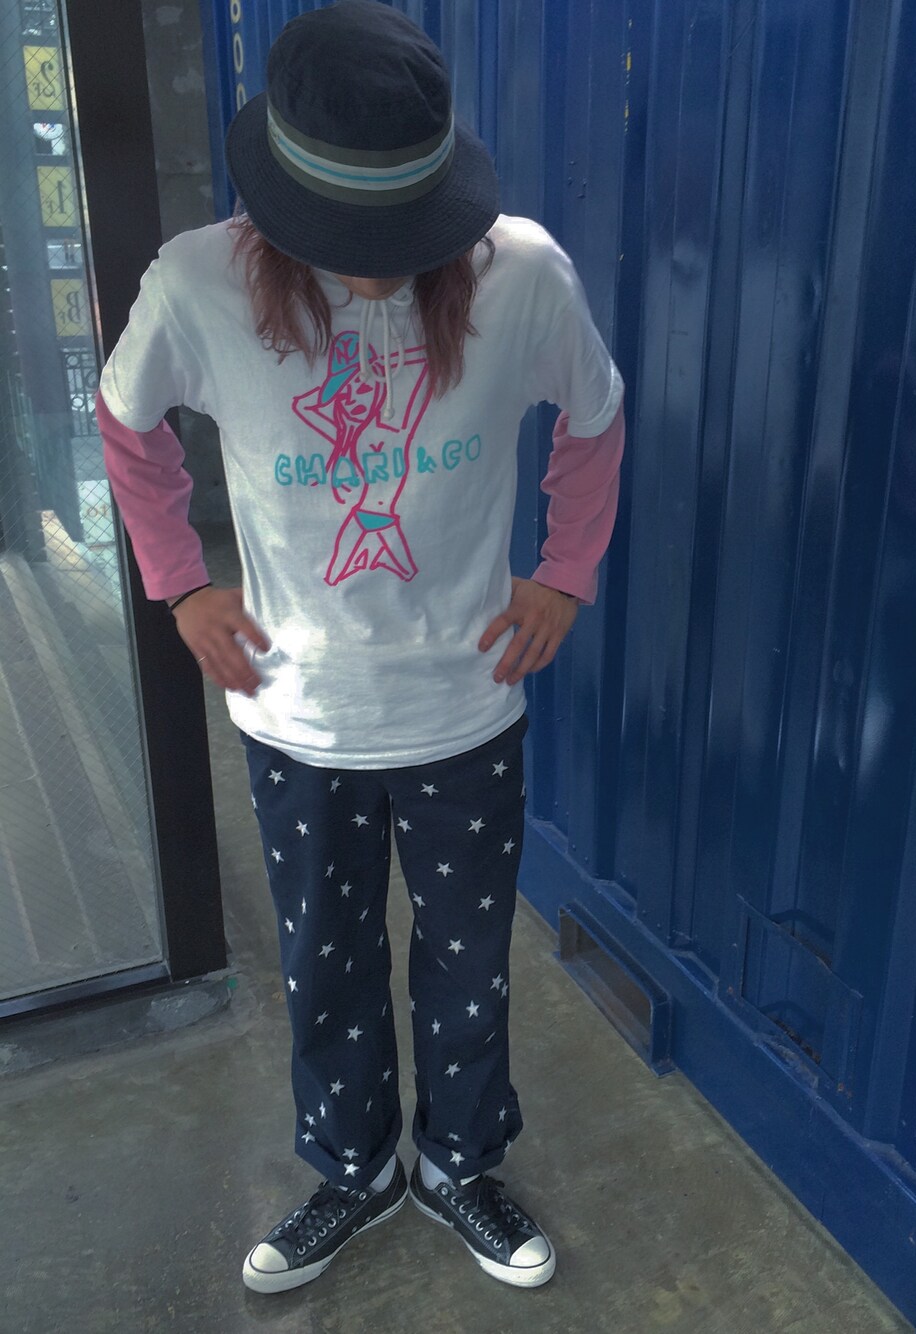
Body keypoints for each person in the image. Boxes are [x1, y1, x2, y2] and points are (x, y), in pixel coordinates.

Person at [97, 0, 624, 1297]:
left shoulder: (521, 275)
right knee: (324, 962)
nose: (382, 275)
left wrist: (566, 572)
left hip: (466, 706)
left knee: (467, 962)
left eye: (407, 235)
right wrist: (180, 586)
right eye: (350, 243)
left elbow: (595, 415)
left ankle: (457, 1165)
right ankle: (357, 1169)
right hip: (298, 713)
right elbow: (125, 420)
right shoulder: (199, 283)